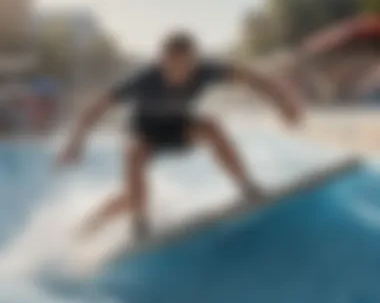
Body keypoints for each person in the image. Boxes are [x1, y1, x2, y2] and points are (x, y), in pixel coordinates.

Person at [58, 31, 303, 240]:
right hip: (144, 131)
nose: (180, 73)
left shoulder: (206, 70)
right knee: (133, 185)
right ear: (163, 61)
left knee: (212, 127)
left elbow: (252, 78)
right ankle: (130, 224)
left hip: (178, 125)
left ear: (194, 61)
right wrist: (75, 144)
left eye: (186, 65)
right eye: (173, 65)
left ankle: (248, 188)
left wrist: (282, 102)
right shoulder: (142, 80)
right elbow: (95, 109)